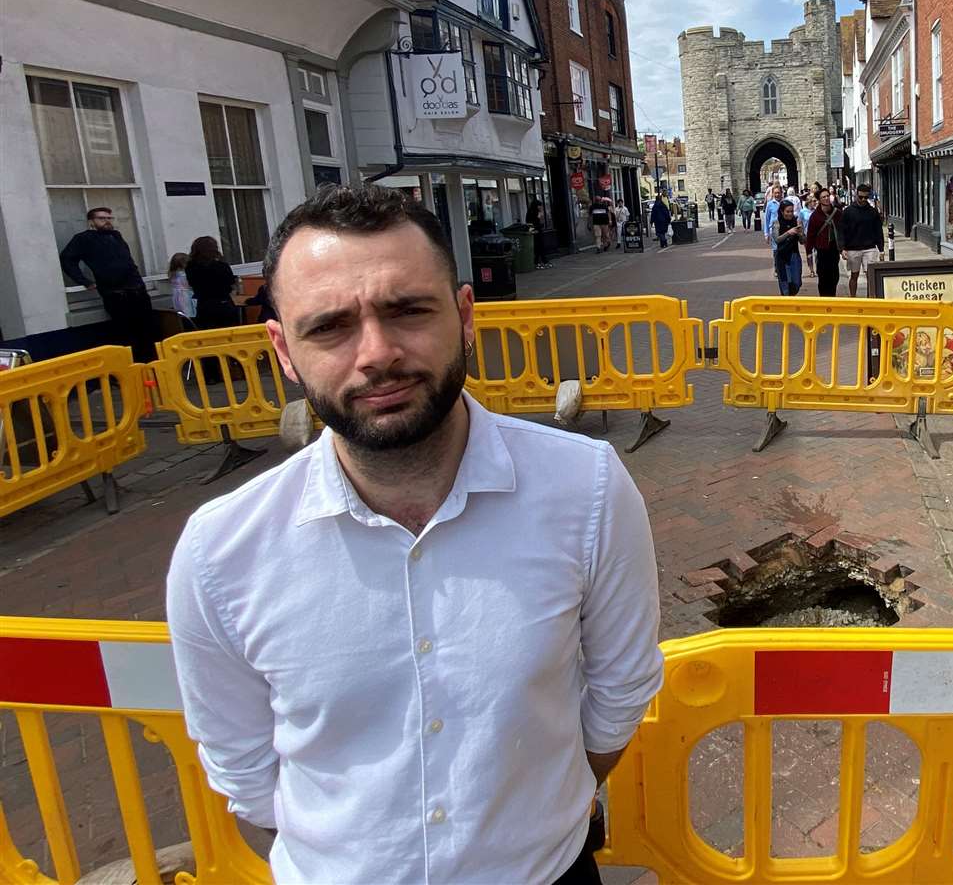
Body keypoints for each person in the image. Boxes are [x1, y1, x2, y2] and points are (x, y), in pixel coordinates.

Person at [166, 184, 663, 885]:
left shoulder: (586, 489)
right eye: (330, 326)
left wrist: (531, 820)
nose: (376, 353)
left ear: (464, 316)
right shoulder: (220, 552)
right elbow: (244, 770)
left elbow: (619, 693)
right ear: (282, 348)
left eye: (407, 310)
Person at [59, 206, 157, 361]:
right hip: (116, 294)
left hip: (137, 290)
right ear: (91, 221)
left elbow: (127, 260)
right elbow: (67, 260)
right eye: (102, 218)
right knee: (125, 333)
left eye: (109, 218)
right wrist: (84, 281)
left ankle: (150, 367)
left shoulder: (116, 235)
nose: (107, 221)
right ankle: (130, 368)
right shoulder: (83, 238)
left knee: (147, 331)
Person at [186, 235, 241, 382]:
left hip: (205, 306)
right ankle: (235, 370)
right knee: (231, 338)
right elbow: (229, 283)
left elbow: (192, 284)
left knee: (209, 341)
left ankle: (211, 375)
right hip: (223, 303)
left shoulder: (191, 267)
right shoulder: (221, 266)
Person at [838, 184, 885, 299]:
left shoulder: (872, 212)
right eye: (861, 197)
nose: (863, 199)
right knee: (854, 275)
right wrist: (842, 248)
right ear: (856, 195)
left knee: (871, 276)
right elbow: (842, 230)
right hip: (853, 248)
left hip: (869, 247)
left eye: (866, 197)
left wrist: (881, 249)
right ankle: (853, 298)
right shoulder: (848, 211)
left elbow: (878, 230)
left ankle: (871, 299)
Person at [805, 189, 841, 297]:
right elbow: (810, 235)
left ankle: (832, 296)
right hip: (822, 249)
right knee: (823, 276)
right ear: (819, 200)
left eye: (827, 196)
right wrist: (809, 251)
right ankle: (824, 298)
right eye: (823, 197)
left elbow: (843, 229)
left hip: (834, 248)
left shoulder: (837, 213)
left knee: (834, 275)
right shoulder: (815, 216)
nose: (826, 198)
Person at [772, 200, 805, 296]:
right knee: (785, 285)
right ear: (782, 212)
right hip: (782, 256)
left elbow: (803, 241)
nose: (790, 214)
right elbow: (777, 239)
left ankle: (791, 296)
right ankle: (787, 304)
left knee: (797, 283)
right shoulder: (777, 222)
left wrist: (801, 234)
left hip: (794, 255)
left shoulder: (796, 221)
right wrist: (788, 233)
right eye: (787, 211)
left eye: (791, 211)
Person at [168, 253, 197, 319]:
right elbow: (189, 285)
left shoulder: (173, 274)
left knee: (181, 312)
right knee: (188, 311)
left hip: (177, 296)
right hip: (186, 295)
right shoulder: (184, 275)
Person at [527, 199, 553, 269]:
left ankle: (538, 262)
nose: (541, 207)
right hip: (535, 231)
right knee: (539, 247)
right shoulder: (533, 212)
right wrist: (539, 222)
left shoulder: (532, 212)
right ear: (536, 206)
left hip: (536, 231)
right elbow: (534, 222)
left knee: (538, 247)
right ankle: (544, 261)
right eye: (539, 206)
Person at [763, 184, 782, 249]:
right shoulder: (770, 204)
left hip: (784, 229)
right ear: (773, 194)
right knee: (776, 250)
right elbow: (767, 219)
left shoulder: (785, 203)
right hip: (774, 230)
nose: (777, 195)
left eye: (778, 193)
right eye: (775, 193)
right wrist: (766, 233)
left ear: (781, 193)